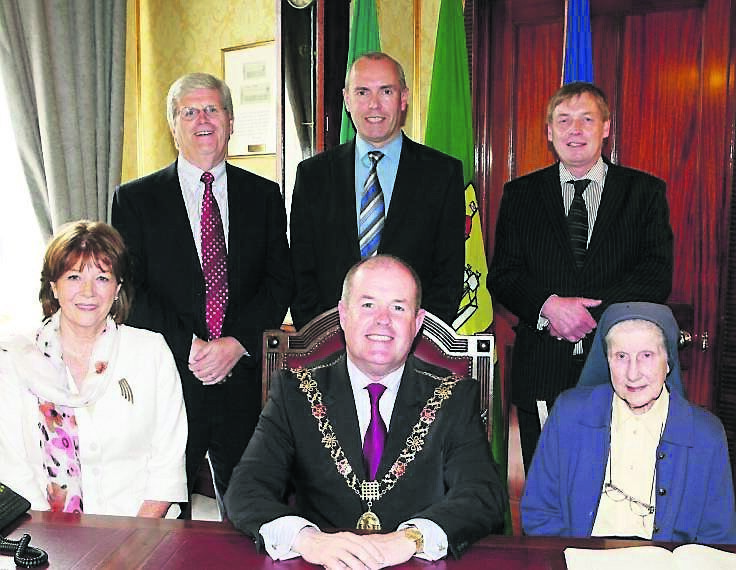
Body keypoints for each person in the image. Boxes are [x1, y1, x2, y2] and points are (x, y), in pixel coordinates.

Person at [224, 255, 505, 569]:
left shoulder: (454, 397)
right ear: (344, 315)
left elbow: (483, 494)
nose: (382, 319)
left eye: (398, 307)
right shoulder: (294, 393)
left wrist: (411, 538)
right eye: (368, 305)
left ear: (418, 322)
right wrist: (307, 539)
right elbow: (246, 488)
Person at [111, 72, 292, 511]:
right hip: (170, 377)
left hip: (244, 384)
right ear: (173, 126)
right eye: (189, 112)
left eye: (212, 109)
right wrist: (189, 345)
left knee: (252, 511)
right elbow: (131, 287)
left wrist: (235, 343)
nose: (202, 120)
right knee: (164, 517)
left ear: (230, 121)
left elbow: (280, 281)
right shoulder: (134, 199)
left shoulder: (264, 195)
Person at [488, 82, 673, 470]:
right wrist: (549, 307)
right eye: (563, 120)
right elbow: (502, 275)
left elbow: (656, 275)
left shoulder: (644, 193)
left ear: (606, 128)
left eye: (586, 119)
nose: (575, 130)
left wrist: (589, 315)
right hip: (541, 371)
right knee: (548, 489)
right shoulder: (520, 195)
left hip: (620, 373)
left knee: (614, 487)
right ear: (549, 132)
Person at [0, 221, 187, 517]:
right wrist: (52, 548)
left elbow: (167, 466)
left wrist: (131, 549)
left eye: (102, 278)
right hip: (45, 540)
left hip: (142, 536)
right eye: (74, 276)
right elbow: (13, 471)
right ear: (53, 287)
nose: (88, 292)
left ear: (117, 289)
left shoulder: (151, 351)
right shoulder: (15, 358)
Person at [521, 302, 736, 544]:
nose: (633, 374)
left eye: (647, 355)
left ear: (668, 361)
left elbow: (718, 538)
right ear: (607, 361)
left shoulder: (706, 434)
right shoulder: (569, 414)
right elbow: (539, 513)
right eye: (621, 356)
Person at [289, 52, 464, 330]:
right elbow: (301, 274)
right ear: (347, 99)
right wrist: (324, 340)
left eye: (386, 91)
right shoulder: (313, 176)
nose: (374, 104)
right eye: (362, 92)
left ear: (403, 98)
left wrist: (418, 341)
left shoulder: (443, 174)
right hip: (332, 348)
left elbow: (448, 275)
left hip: (412, 349)